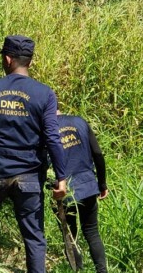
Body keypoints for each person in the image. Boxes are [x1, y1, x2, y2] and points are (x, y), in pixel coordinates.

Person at [0, 35, 67, 273]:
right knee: (34, 237)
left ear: (8, 59)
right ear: (29, 62)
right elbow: (53, 137)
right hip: (29, 177)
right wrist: (61, 177)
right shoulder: (45, 94)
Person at [57, 111, 108, 273]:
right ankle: (102, 271)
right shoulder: (79, 121)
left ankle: (77, 270)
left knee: (69, 236)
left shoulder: (46, 129)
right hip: (87, 185)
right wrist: (102, 183)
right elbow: (98, 154)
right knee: (92, 233)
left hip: (63, 191)